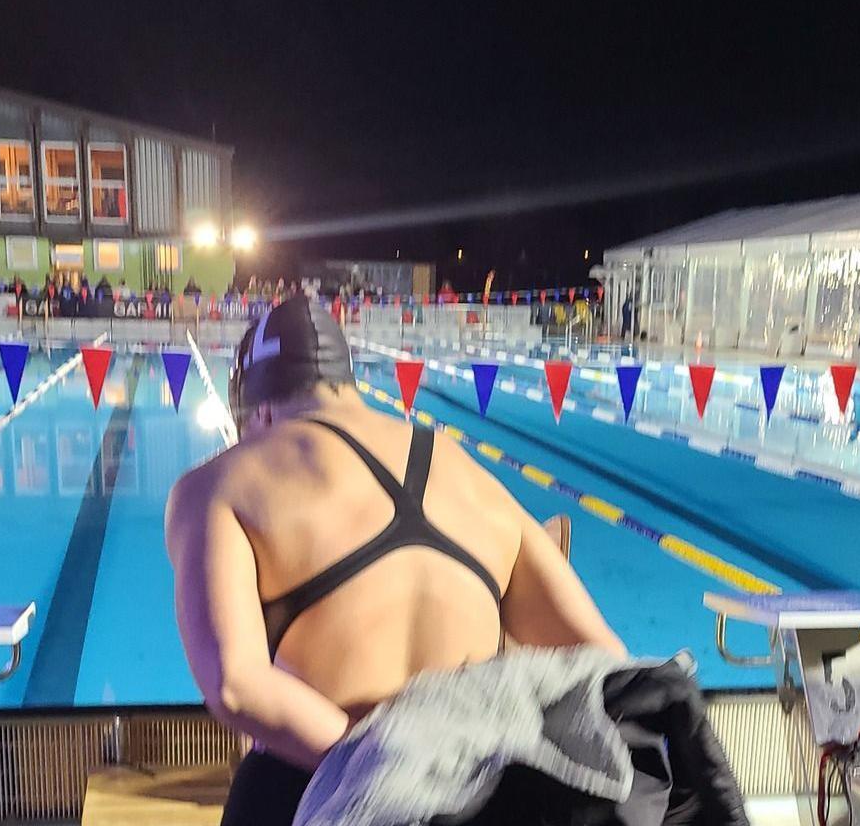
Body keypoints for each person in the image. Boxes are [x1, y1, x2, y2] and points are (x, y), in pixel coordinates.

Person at [166, 299, 638, 824]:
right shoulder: (473, 476)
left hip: (315, 794)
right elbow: (600, 658)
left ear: (261, 411)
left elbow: (236, 685)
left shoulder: (218, 484)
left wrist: (381, 768)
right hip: (474, 798)